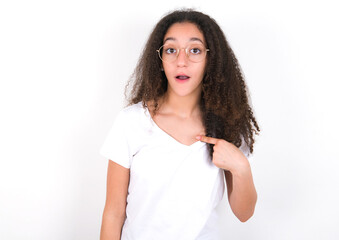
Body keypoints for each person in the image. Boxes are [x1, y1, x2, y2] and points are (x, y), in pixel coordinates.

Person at [99, 9, 260, 240]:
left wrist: (241, 167)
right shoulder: (131, 122)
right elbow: (113, 213)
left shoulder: (227, 126)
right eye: (171, 50)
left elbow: (244, 213)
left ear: (210, 59)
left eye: (194, 50)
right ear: (160, 58)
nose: (181, 61)